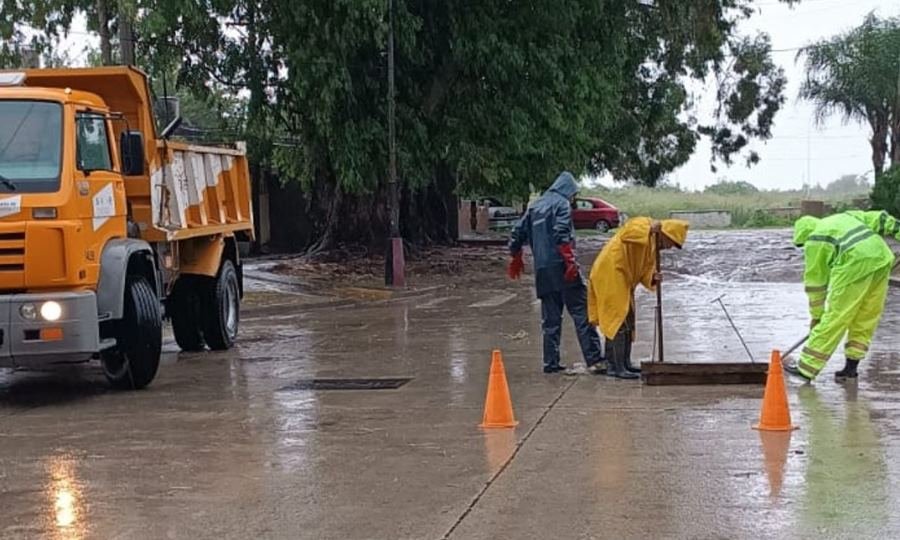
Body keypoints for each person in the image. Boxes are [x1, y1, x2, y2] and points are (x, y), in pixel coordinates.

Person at [507, 171, 604, 374]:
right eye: (573, 195)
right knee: (581, 313)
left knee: (550, 320)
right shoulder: (561, 204)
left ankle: (551, 363)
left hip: (543, 270)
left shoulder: (535, 206)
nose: (573, 199)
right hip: (562, 266)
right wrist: (570, 262)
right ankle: (595, 359)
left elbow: (517, 232)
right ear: (568, 191)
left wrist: (515, 255)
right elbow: (562, 233)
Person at [786, 210, 898, 382]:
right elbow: (881, 218)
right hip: (881, 259)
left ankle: (807, 368)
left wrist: (817, 317)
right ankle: (850, 369)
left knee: (835, 318)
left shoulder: (814, 240)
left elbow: (816, 285)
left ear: (804, 237)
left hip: (853, 264)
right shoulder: (843, 217)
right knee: (866, 316)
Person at [587, 217, 689, 379]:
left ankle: (624, 363)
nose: (669, 247)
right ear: (666, 234)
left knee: (628, 320)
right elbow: (627, 233)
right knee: (617, 319)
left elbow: (645, 269)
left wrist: (653, 278)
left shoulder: (653, 247)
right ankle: (615, 366)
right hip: (610, 272)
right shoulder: (643, 224)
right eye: (671, 242)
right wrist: (649, 229)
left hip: (623, 279)